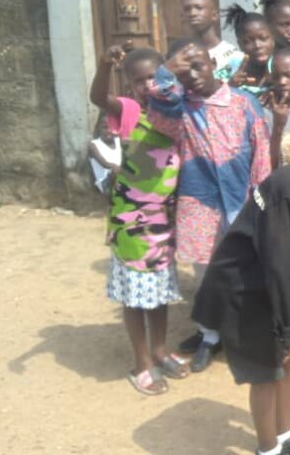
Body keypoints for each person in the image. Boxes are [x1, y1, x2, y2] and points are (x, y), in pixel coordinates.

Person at [192, 107, 290, 455]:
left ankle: (284, 436)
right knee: (268, 369)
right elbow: (278, 262)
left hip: (276, 287)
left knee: (289, 360)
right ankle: (268, 449)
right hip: (246, 290)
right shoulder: (285, 186)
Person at [149, 38, 271, 373]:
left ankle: (242, 333)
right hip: (198, 204)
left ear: (213, 64)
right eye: (183, 72)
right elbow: (159, 106)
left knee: (244, 271)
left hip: (241, 202)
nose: (192, 75)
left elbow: (261, 154)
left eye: (198, 65)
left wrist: (260, 202)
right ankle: (210, 334)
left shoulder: (243, 103)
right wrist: (167, 71)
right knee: (205, 272)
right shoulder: (180, 111)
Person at [89, 43, 188, 395]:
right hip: (132, 222)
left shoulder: (176, 112)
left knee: (158, 291)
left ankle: (159, 350)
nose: (148, 86)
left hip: (163, 220)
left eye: (154, 77)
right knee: (134, 295)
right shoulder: (129, 111)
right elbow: (98, 98)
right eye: (140, 80)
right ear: (130, 85)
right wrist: (104, 65)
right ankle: (142, 364)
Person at [181, 0, 243, 79]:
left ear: (214, 15)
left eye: (199, 8)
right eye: (187, 9)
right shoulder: (180, 55)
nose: (192, 13)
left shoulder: (233, 56)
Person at [221, 4, 276, 98]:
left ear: (273, 39)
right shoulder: (229, 72)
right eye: (248, 41)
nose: (257, 46)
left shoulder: (285, 69)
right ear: (240, 44)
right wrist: (230, 86)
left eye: (263, 38)